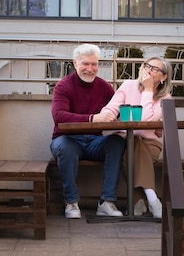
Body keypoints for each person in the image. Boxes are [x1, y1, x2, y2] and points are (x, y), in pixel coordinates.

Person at [50, 43, 127, 219]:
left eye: (94, 64)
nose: (90, 69)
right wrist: (93, 118)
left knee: (116, 142)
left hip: (94, 142)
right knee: (65, 147)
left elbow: (118, 111)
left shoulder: (104, 87)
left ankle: (106, 202)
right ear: (75, 64)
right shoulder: (63, 86)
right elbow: (59, 117)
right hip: (66, 139)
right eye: (85, 64)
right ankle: (71, 202)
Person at [100, 56, 173, 218]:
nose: (148, 70)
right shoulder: (128, 85)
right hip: (127, 142)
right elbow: (111, 108)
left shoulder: (165, 98)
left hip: (150, 144)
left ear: (163, 77)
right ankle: (152, 198)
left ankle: (139, 201)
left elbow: (145, 121)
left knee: (136, 145)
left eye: (155, 69)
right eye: (147, 66)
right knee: (130, 149)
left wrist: (147, 91)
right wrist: (105, 116)